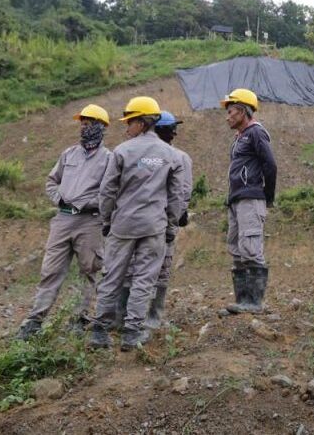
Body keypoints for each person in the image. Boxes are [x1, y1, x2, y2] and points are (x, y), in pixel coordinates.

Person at [87, 96, 184, 351]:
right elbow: (177, 195)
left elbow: (107, 191)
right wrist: (171, 224)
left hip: (123, 225)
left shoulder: (122, 151)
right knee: (144, 279)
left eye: (130, 122)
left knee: (112, 276)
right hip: (154, 227)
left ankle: (100, 331)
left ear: (142, 122)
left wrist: (106, 219)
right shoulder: (170, 155)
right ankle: (132, 332)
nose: (126, 127)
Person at [16, 104, 112, 340]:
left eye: (88, 123)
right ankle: (35, 321)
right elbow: (51, 181)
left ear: (100, 127)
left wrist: (87, 203)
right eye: (82, 122)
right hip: (62, 219)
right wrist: (60, 199)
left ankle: (79, 319)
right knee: (50, 271)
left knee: (89, 271)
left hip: (90, 222)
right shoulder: (68, 154)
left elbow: (110, 193)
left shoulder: (110, 159)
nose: (83, 126)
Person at [114, 110, 192, 330]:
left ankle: (144, 317)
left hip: (156, 221)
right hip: (154, 221)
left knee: (151, 270)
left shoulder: (177, 157)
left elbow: (182, 194)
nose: (174, 132)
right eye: (171, 128)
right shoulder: (168, 155)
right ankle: (135, 318)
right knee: (142, 270)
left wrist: (172, 221)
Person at [220, 88, 277, 315]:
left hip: (251, 198)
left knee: (251, 247)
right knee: (237, 247)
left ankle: (254, 303)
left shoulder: (256, 133)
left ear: (243, 111)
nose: (228, 116)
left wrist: (267, 197)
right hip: (236, 200)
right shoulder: (239, 138)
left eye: (231, 111)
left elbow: (270, 165)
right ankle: (243, 301)